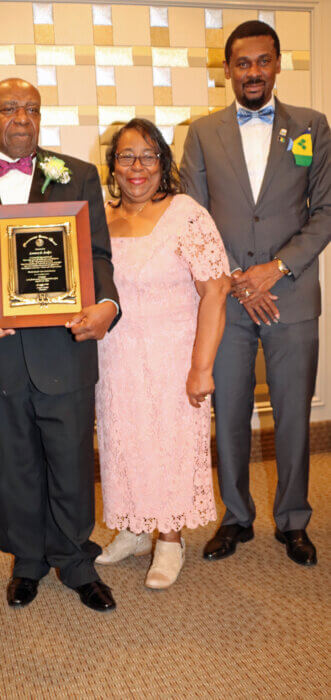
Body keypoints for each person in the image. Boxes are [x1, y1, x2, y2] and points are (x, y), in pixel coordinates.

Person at [0, 78, 120, 612]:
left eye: (32, 109)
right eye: (9, 108)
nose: (22, 117)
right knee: (11, 462)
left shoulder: (77, 174)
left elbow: (99, 256)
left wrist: (106, 305)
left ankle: (76, 562)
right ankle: (28, 560)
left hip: (66, 346)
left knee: (69, 461)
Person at [180, 21, 330, 566]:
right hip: (227, 300)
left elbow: (326, 212)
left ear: (277, 64)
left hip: (292, 297)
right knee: (230, 410)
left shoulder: (311, 126)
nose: (253, 72)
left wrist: (276, 269)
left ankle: (293, 520)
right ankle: (236, 517)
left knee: (293, 414)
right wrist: (240, 283)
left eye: (263, 61)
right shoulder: (201, 132)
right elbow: (192, 220)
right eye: (243, 63)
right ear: (227, 70)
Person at [95, 119, 230, 589]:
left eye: (149, 156)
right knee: (124, 444)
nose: (138, 167)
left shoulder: (186, 214)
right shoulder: (100, 217)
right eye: (127, 156)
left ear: (164, 163)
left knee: (168, 446)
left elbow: (215, 292)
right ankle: (133, 528)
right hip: (114, 358)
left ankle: (169, 539)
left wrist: (201, 368)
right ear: (112, 164)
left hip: (173, 356)